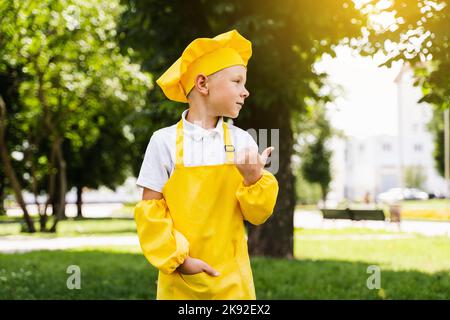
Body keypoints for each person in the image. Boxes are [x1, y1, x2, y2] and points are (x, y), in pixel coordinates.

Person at [134, 29, 279, 300]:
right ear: (202, 84)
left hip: (234, 282)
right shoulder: (162, 142)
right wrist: (180, 261)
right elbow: (151, 212)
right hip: (180, 282)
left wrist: (253, 179)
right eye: (237, 81)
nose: (245, 92)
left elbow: (257, 216)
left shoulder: (242, 141)